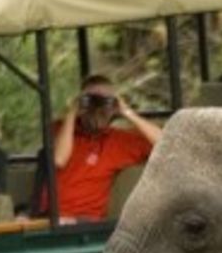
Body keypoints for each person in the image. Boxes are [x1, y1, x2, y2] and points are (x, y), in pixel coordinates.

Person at [50, 73, 161, 221]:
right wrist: (73, 111)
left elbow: (168, 144)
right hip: (53, 218)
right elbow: (59, 159)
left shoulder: (119, 141)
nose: (97, 109)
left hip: (87, 221)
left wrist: (126, 112)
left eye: (105, 102)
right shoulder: (62, 129)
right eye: (91, 101)